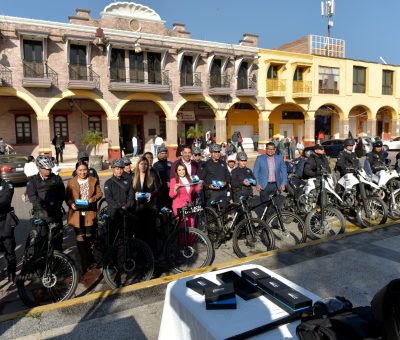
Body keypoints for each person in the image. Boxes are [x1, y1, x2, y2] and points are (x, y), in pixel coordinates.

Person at [66, 161, 103, 273]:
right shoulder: (71, 182)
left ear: (88, 169)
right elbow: (67, 197)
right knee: (80, 240)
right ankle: (84, 263)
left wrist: (92, 199)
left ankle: (90, 258)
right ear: (76, 171)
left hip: (89, 214)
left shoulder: (93, 180)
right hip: (77, 215)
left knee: (89, 239)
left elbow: (99, 193)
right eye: (80, 170)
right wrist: (71, 203)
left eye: (84, 170)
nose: (82, 172)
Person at [26, 155, 65, 251]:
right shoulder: (32, 181)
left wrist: (54, 206)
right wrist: (43, 208)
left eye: (49, 168)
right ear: (39, 168)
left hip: (55, 215)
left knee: (57, 243)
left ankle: (57, 264)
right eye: (46, 168)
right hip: (41, 215)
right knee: (41, 243)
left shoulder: (57, 179)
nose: (48, 170)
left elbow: (62, 195)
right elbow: (33, 197)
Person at [103, 159, 135, 241]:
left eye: (121, 168)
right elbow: (109, 199)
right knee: (113, 237)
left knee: (127, 236)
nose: (119, 171)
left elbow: (131, 195)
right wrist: (119, 208)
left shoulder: (127, 181)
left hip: (126, 211)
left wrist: (127, 206)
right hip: (114, 212)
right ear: (113, 169)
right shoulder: (108, 183)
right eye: (117, 168)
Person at [132, 157, 159, 251]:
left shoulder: (152, 175)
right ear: (138, 165)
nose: (143, 166)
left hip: (150, 208)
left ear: (148, 165)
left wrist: (151, 194)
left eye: (145, 164)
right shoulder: (133, 176)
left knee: (150, 232)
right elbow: (129, 191)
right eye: (141, 164)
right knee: (139, 232)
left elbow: (157, 189)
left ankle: (152, 253)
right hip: (138, 208)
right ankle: (140, 253)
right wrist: (133, 194)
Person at [200, 143, 231, 209]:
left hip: (223, 192)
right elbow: (202, 180)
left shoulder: (223, 163)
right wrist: (209, 186)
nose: (217, 154)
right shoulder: (206, 164)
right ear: (211, 153)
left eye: (218, 152)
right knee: (212, 215)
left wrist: (226, 182)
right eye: (215, 152)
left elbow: (228, 175)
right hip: (212, 193)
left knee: (222, 214)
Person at [0, 177, 17, 282]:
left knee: (9, 250)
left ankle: (12, 273)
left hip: (5, 223)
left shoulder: (7, 184)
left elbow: (6, 200)